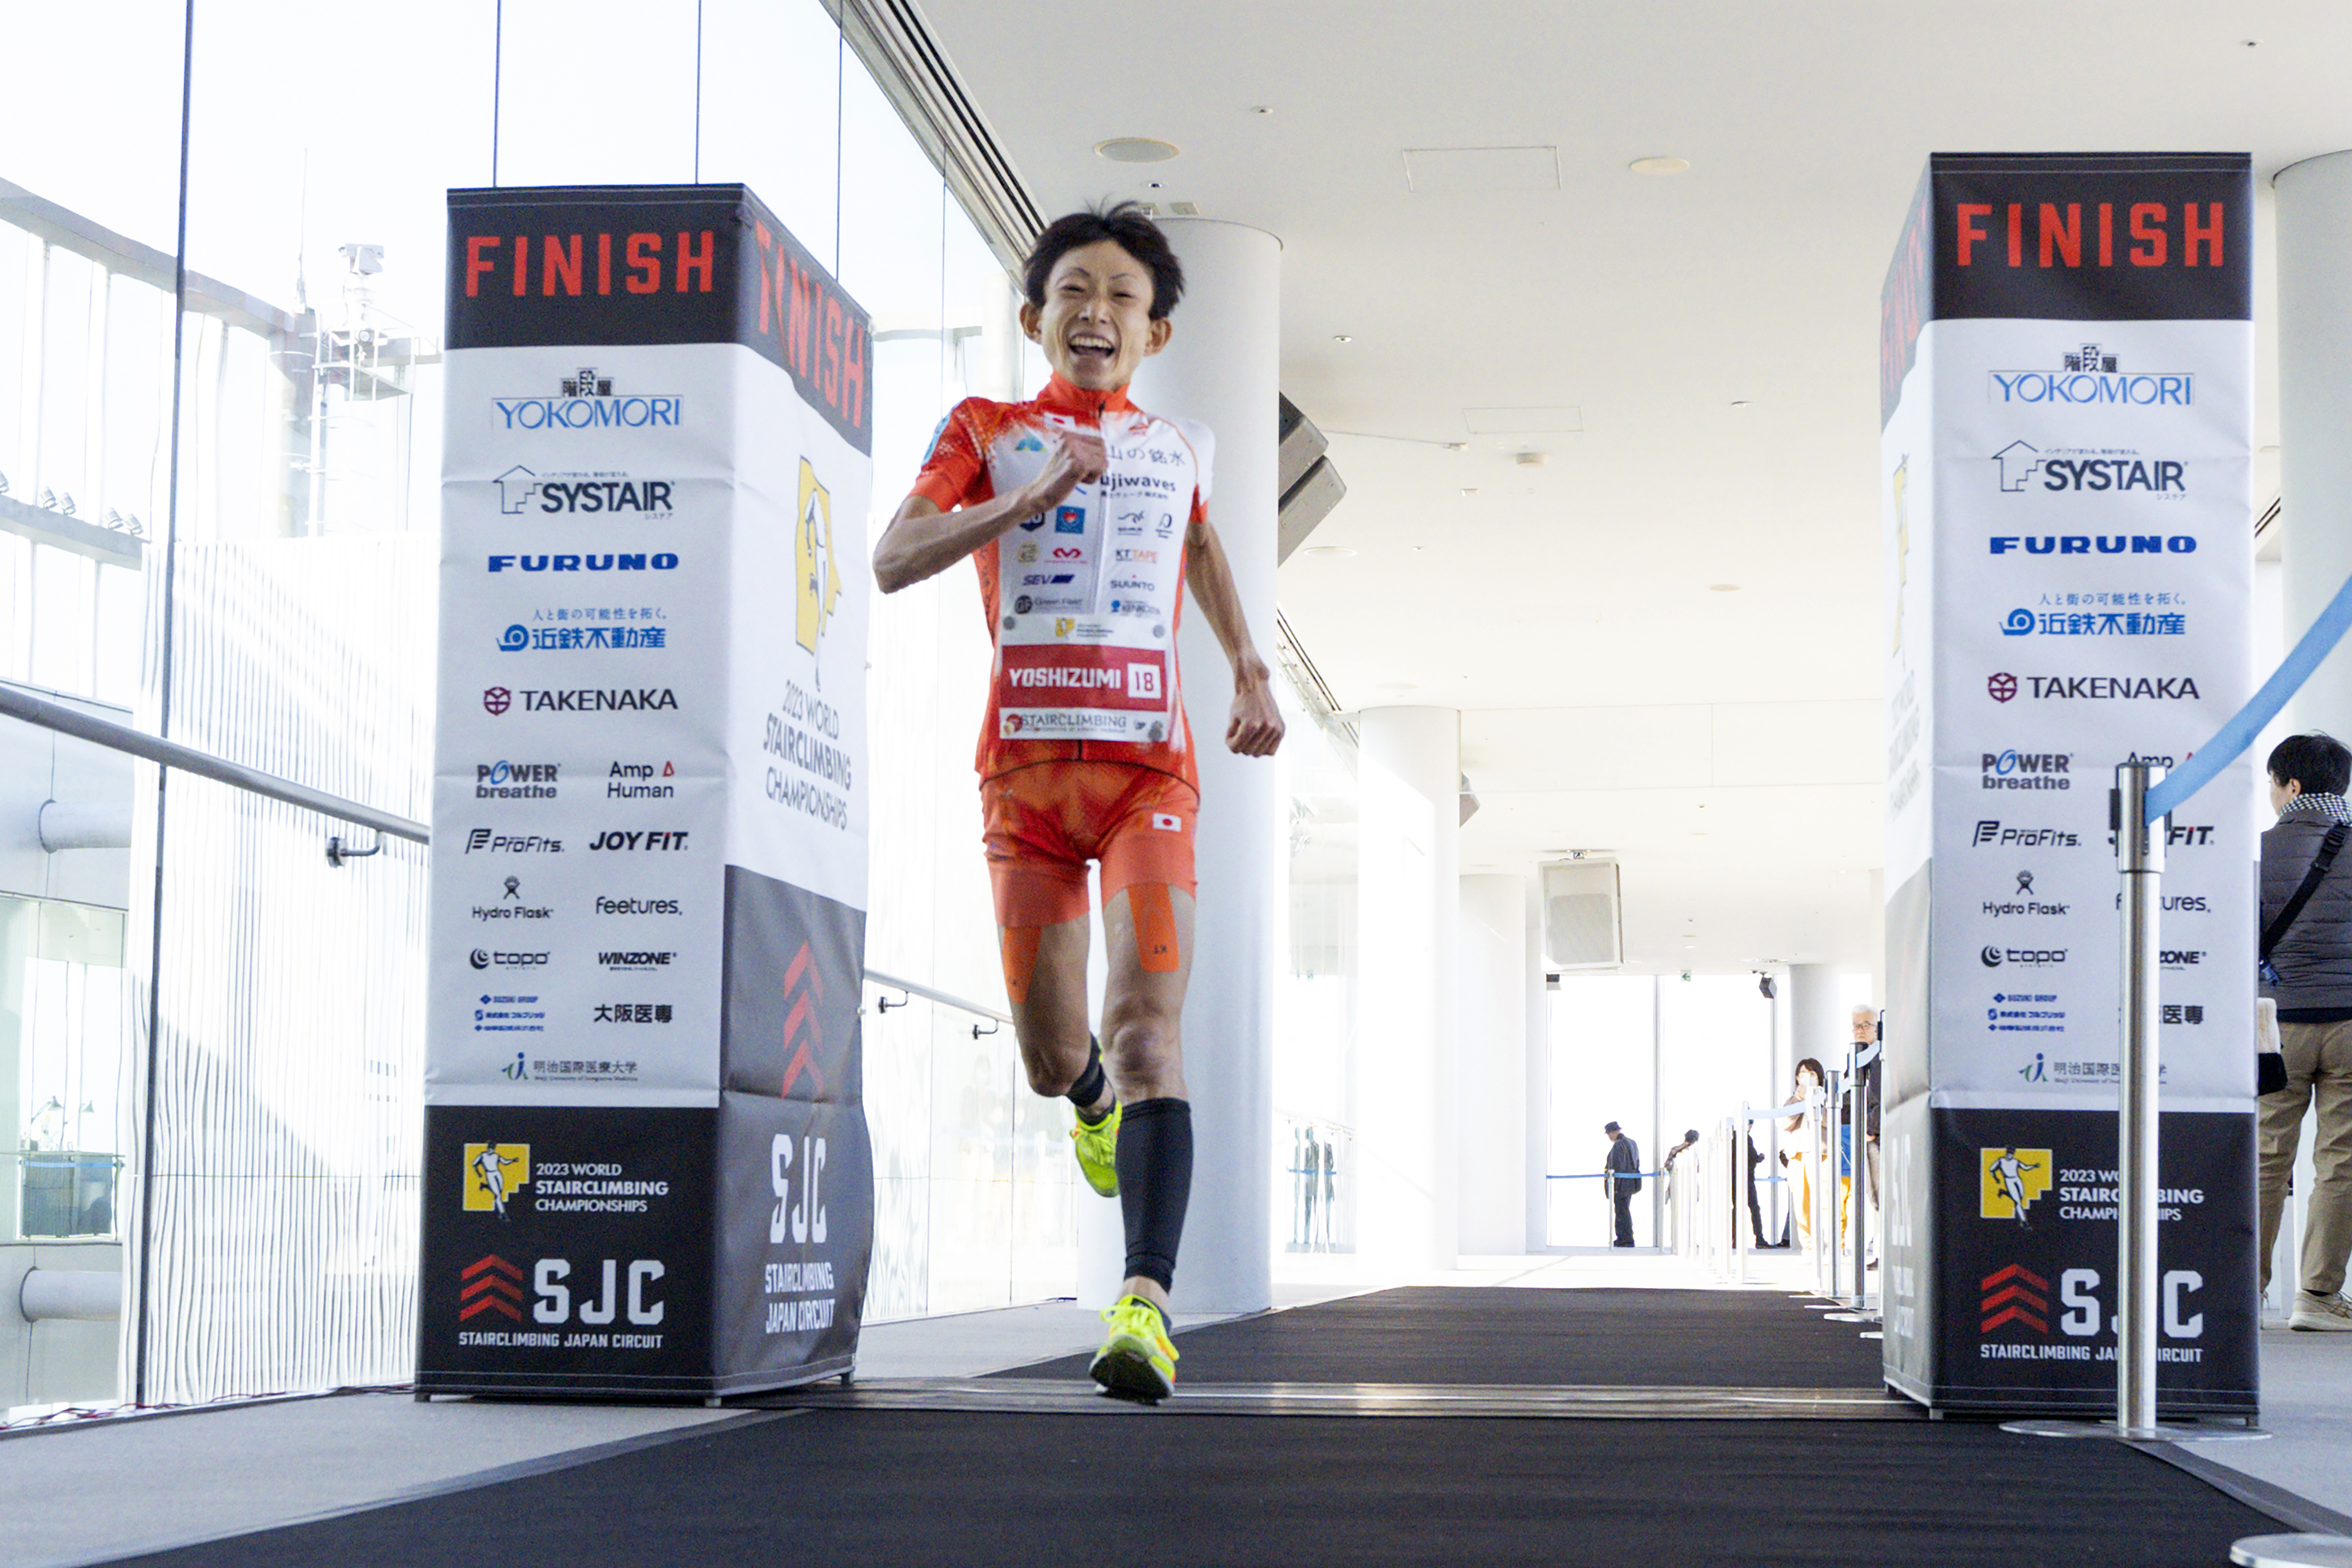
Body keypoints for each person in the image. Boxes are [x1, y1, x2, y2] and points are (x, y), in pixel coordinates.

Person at [873, 202, 1284, 1400]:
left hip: (1149, 775)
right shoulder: (986, 430)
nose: (1096, 312)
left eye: (1122, 297)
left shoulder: (1182, 445)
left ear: (1155, 332)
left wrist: (1250, 664)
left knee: (1152, 1031)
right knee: (1058, 1058)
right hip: (1027, 783)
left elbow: (1198, 546)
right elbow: (897, 556)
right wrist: (1028, 498)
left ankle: (1146, 1306)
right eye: (1074, 293)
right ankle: (1090, 1103)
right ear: (1033, 318)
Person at [2256, 733, 2352, 1332]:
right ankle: (2316, 1298)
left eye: (2272, 783)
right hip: (2350, 1024)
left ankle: (2243, 1290)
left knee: (2268, 1157)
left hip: (2277, 1027)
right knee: (2342, 1160)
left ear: (2292, 786)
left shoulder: (2259, 852)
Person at [1780, 1058, 1827, 1257]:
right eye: (1803, 1074)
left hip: (1823, 1155)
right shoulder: (1792, 1101)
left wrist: (1815, 1100)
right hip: (1798, 1156)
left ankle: (1830, 1244)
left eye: (1812, 1074)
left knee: (1825, 1201)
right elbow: (1784, 1124)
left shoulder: (1828, 1098)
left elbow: (1828, 1122)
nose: (1807, 1078)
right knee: (1801, 1203)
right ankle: (1808, 1246)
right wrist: (1799, 1101)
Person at [1603, 1121, 1643, 1247]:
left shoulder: (1619, 1145)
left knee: (1621, 1212)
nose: (1610, 1138)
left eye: (1610, 1134)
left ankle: (1625, 1239)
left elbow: (1617, 1166)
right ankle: (1626, 1237)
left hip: (1621, 1185)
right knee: (1624, 1210)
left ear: (1614, 1132)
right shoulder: (1632, 1143)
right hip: (1630, 1183)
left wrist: (1614, 1186)